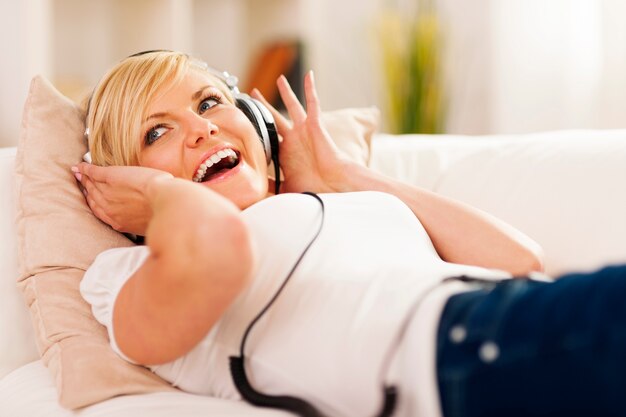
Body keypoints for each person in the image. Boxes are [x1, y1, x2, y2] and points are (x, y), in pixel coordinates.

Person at [72, 50, 626, 417]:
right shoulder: (122, 276)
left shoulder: (340, 202)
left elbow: (520, 261)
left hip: (516, 313)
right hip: (455, 356)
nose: (202, 128)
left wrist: (345, 176)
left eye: (209, 102)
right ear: (128, 181)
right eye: (158, 131)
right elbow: (216, 247)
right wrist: (154, 198)